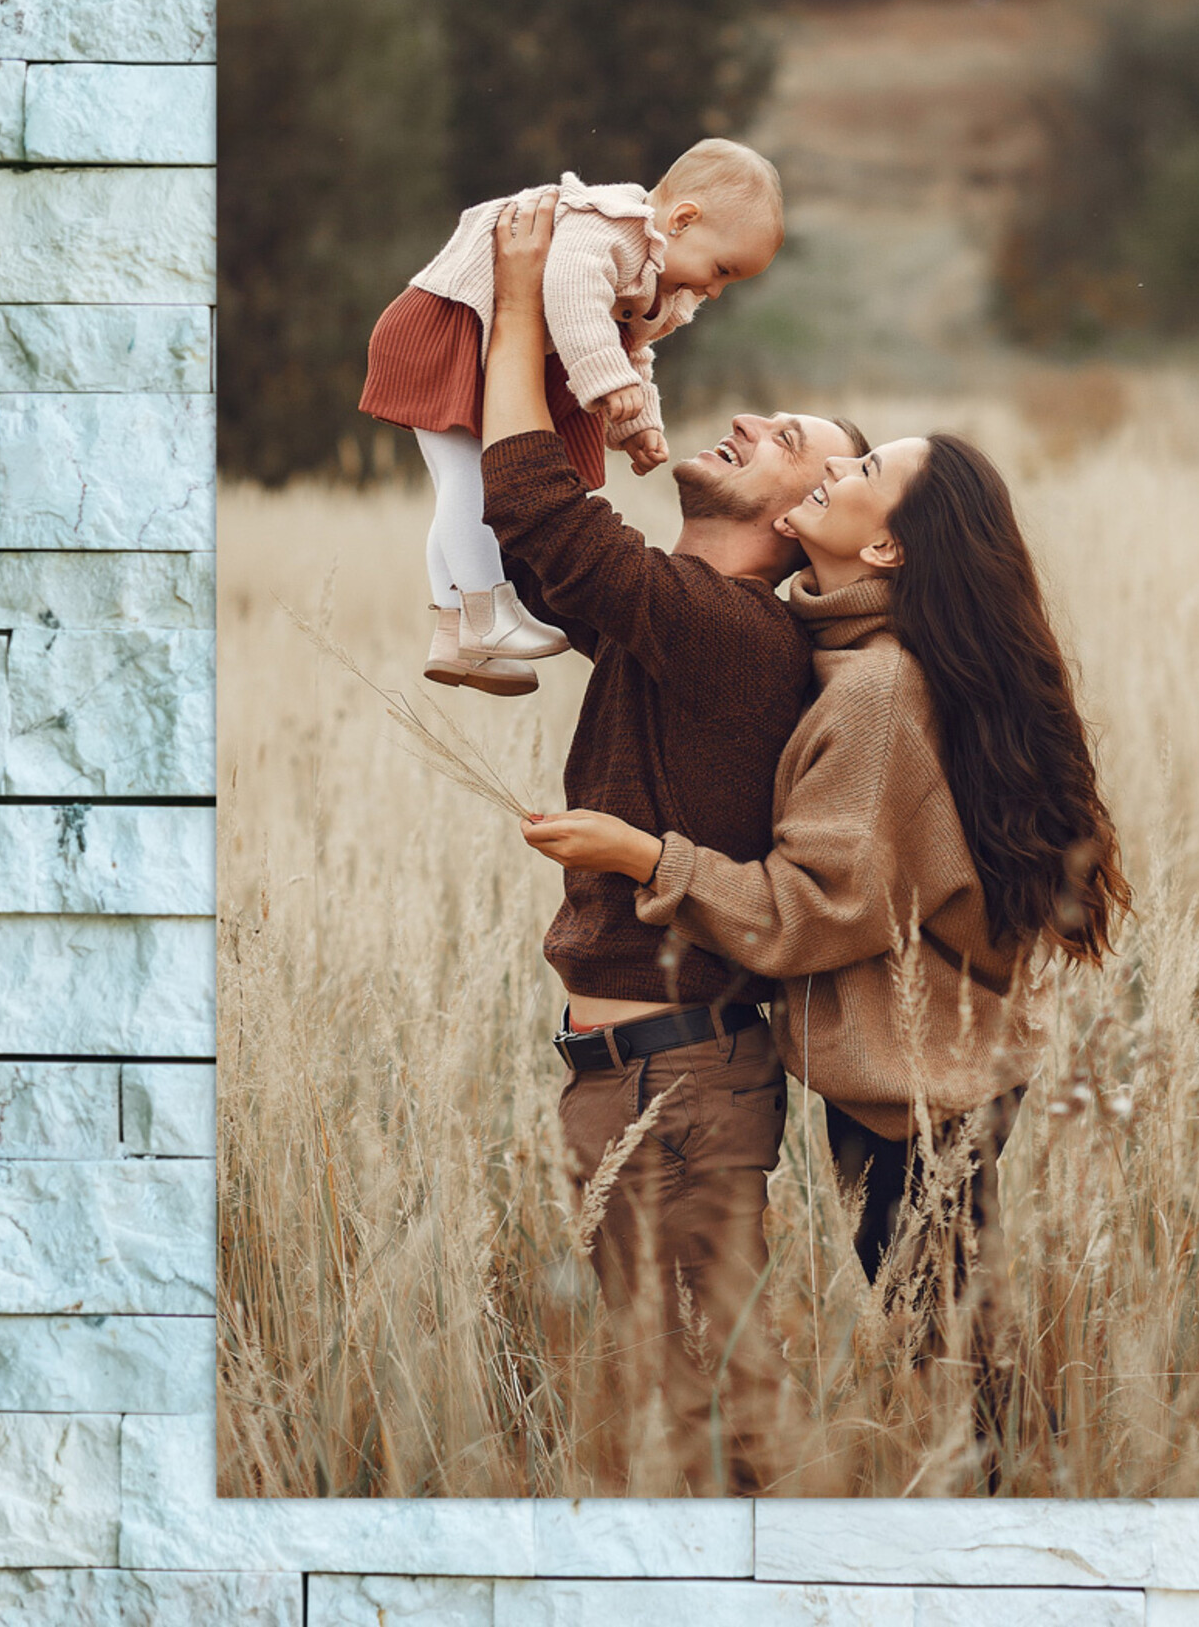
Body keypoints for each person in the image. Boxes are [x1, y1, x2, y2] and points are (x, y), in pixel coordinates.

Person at [522, 422, 1133, 1449]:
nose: (832, 474)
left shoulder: (876, 689)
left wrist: (641, 856)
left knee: (949, 1354)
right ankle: (1010, 1502)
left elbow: (813, 910)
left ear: (887, 548)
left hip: (917, 1096)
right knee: (949, 1337)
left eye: (859, 472)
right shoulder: (851, 657)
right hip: (932, 1076)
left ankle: (1009, 1538)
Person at [477, 185, 867, 1492]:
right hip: (619, 1068)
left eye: (787, 440)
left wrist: (525, 303)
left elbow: (546, 520)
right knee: (653, 1409)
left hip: (687, 1083)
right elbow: (550, 562)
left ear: (802, 515)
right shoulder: (685, 616)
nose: (748, 419)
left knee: (729, 1415)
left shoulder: (735, 636)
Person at [359, 139, 784, 695]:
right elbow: (570, 294)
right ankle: (488, 612)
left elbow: (633, 350)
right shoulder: (608, 227)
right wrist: (606, 382)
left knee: (457, 481)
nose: (715, 290)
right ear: (682, 220)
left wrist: (636, 422)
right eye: (721, 269)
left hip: (492, 341)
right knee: (470, 479)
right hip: (455, 324)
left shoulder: (662, 278)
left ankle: (455, 630)